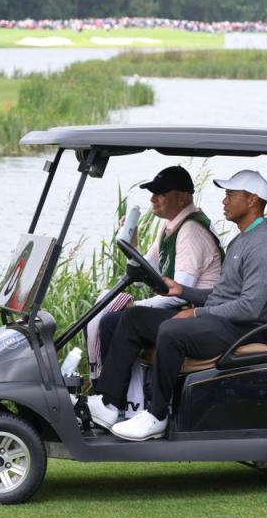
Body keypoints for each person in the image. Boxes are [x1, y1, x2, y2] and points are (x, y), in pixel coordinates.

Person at [87, 169, 267, 441]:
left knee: (172, 331)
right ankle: (110, 403)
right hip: (220, 321)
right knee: (134, 317)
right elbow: (221, 295)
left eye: (231, 195)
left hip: (242, 329)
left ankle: (157, 414)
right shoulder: (242, 238)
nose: (224, 201)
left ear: (252, 200)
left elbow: (250, 308)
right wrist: (184, 291)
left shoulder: (264, 245)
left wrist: (196, 312)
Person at [87, 165, 222, 391]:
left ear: (183, 198)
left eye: (161, 193)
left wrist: (136, 305)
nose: (153, 199)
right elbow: (143, 275)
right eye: (153, 193)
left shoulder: (190, 231)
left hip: (197, 312)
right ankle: (114, 392)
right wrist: (133, 242)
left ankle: (113, 397)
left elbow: (179, 294)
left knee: (112, 321)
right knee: (109, 312)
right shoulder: (170, 225)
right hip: (182, 308)